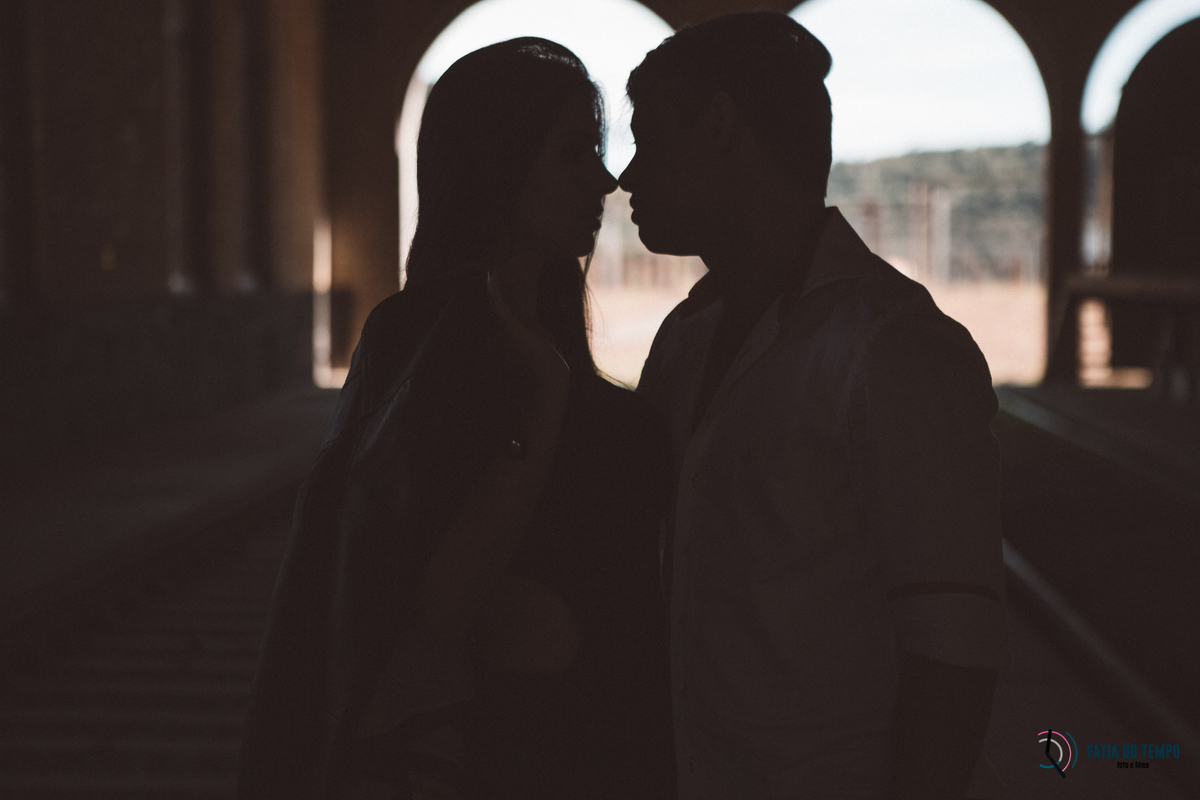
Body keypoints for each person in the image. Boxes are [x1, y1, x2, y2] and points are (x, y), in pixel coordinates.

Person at [238, 38, 675, 800]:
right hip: (496, 762)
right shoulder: (419, 341)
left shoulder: (537, 341)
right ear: (498, 164)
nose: (604, 181)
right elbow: (443, 601)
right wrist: (544, 400)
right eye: (574, 155)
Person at [621, 13, 1008, 800]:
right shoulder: (685, 337)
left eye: (650, 134)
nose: (627, 174)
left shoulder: (897, 350)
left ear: (723, 125)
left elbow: (954, 659)